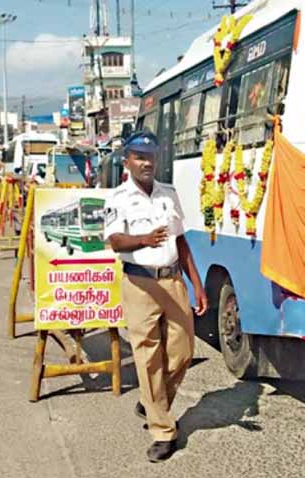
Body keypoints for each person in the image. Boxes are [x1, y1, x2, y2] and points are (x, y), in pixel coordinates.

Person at [103, 131, 208, 463]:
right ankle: (163, 431)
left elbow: (180, 241)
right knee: (148, 358)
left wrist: (197, 284)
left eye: (150, 157)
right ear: (127, 161)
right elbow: (115, 241)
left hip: (172, 280)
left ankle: (152, 401)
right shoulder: (117, 197)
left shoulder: (169, 194)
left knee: (182, 353)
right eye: (139, 157)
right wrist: (143, 240)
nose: (146, 163)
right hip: (139, 285)